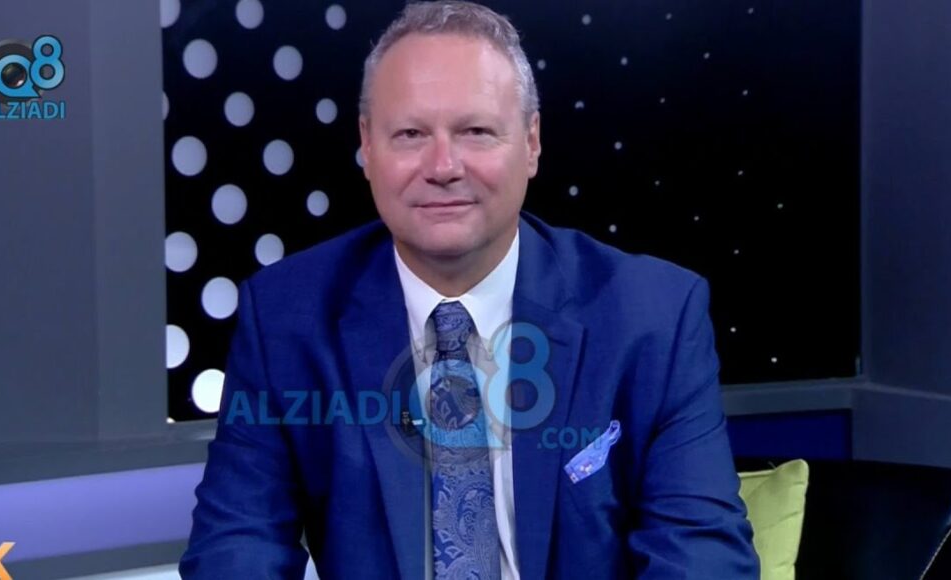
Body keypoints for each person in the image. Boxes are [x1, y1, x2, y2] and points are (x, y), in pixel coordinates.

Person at [180, 2, 759, 578]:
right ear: (368, 146)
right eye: (410, 134)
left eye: (476, 131)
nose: (443, 166)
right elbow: (236, 547)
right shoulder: (285, 317)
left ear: (531, 142)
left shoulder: (654, 316)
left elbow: (702, 556)